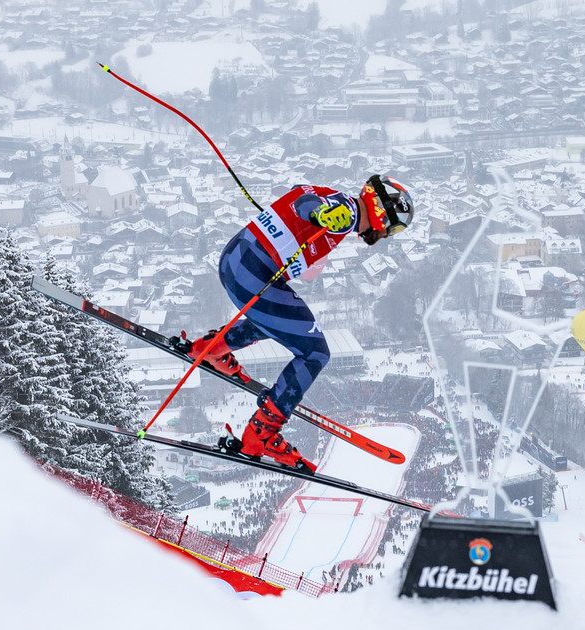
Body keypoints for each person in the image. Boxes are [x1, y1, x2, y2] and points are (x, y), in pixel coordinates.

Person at [173, 174, 414, 472]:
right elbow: (306, 204)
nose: (388, 235)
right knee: (315, 353)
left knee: (278, 323)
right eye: (394, 228)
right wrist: (322, 213)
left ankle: (211, 349)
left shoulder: (338, 198)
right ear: (383, 214)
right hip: (253, 276)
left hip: (234, 262)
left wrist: (318, 213)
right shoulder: (347, 212)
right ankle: (261, 434)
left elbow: (299, 193)